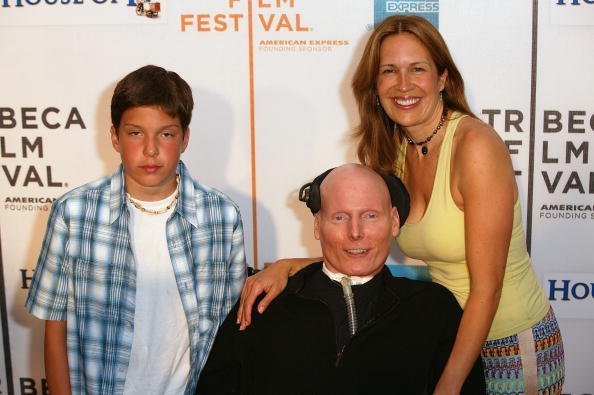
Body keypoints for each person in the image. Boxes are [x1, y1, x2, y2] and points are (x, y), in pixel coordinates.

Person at [237, 15, 565, 395]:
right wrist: (290, 266)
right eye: (389, 71)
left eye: (418, 69)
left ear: (443, 78)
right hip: (448, 336)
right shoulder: (395, 151)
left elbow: (487, 288)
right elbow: (367, 244)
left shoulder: (475, 147)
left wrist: (448, 386)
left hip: (508, 343)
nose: (403, 85)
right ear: (374, 86)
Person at [25, 65, 247, 395]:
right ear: (114, 136)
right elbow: (54, 328)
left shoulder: (221, 216)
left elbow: (231, 332)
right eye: (135, 133)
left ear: (185, 138)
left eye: (166, 134)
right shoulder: (73, 213)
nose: (151, 149)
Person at [197, 164, 485, 394]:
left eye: (370, 216)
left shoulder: (433, 310)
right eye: (339, 218)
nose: (356, 232)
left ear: (394, 222)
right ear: (317, 225)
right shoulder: (264, 305)